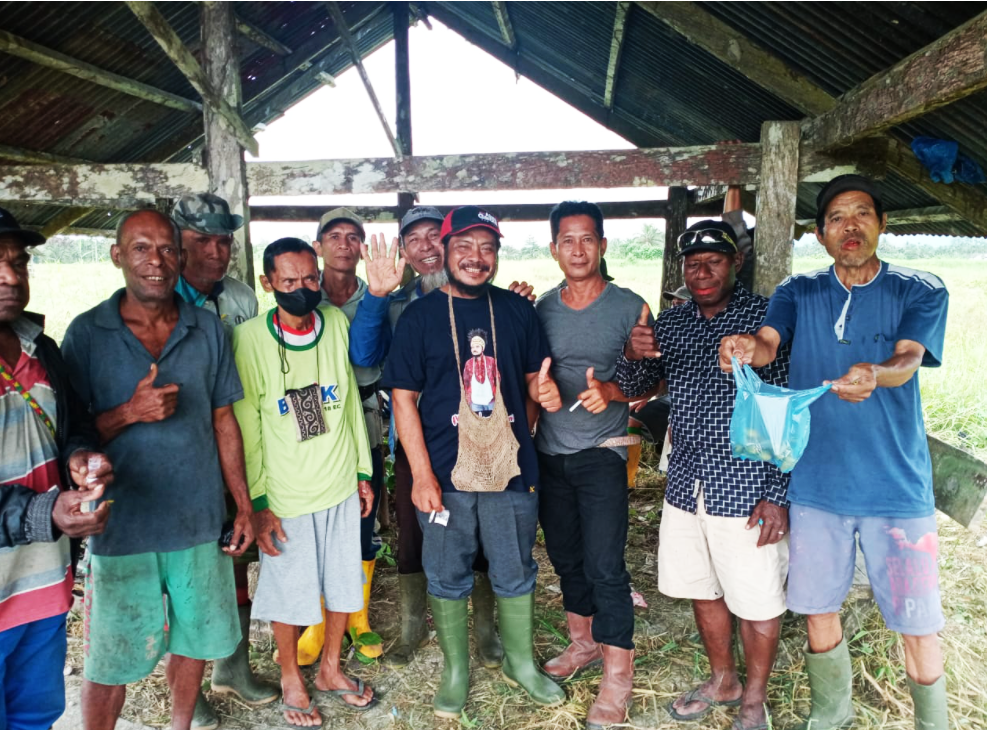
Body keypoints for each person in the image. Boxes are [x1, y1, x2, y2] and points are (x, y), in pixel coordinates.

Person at [719, 174, 950, 730]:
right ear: (820, 234)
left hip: (896, 487)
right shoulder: (799, 291)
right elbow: (769, 342)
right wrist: (748, 347)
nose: (851, 226)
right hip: (817, 486)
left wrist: (877, 373)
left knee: (918, 622)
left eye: (862, 213)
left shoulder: (919, 289)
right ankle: (831, 714)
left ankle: (934, 722)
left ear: (882, 224)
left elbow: (908, 358)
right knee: (819, 607)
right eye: (837, 217)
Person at [61, 209, 255, 730]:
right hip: (121, 526)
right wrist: (130, 412)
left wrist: (241, 505)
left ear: (180, 257)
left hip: (197, 521)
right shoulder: (87, 333)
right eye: (141, 248)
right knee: (110, 658)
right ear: (117, 256)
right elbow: (71, 436)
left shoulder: (206, 328)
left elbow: (224, 420)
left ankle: (181, 725)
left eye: (167, 249)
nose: (156, 261)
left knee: (194, 639)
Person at [382, 206, 566, 718]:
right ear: (444, 251)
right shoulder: (419, 317)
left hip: (510, 469)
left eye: (487, 247)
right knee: (446, 572)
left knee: (515, 567)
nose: (476, 257)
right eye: (464, 246)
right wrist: (421, 475)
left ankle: (520, 663)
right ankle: (456, 670)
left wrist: (543, 394)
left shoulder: (516, 311)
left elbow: (531, 381)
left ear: (497, 255)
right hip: (445, 474)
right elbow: (403, 399)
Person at [615, 219, 791, 730]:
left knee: (758, 598)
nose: (702, 272)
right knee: (703, 586)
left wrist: (778, 494)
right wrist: (632, 352)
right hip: (686, 481)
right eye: (693, 264)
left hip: (747, 485)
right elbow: (636, 386)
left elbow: (787, 411)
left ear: (736, 263)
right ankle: (723, 680)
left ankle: (754, 699)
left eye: (714, 261)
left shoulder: (764, 320)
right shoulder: (672, 323)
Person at [348, 206, 516, 668]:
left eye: (432, 236)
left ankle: (484, 630)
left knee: (480, 534)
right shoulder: (398, 304)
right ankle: (412, 628)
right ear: (403, 251)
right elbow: (364, 356)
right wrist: (377, 296)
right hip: (416, 441)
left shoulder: (486, 298)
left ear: (449, 242)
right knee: (413, 534)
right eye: (413, 239)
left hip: (480, 438)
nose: (425, 247)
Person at [232, 238, 377, 726]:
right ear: (267, 283)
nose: (302, 288)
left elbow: (350, 402)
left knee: (342, 582)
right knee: (290, 590)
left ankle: (330, 669)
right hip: (286, 493)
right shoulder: (250, 338)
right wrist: (259, 501)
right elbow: (248, 425)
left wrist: (362, 472)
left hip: (338, 482)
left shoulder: (334, 322)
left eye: (310, 278)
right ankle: (291, 675)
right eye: (289, 281)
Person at [533, 201, 648, 728]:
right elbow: (528, 373)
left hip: (603, 453)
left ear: (602, 245)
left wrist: (613, 391)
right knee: (565, 557)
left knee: (605, 565)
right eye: (567, 240)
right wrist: (537, 392)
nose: (577, 250)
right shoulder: (541, 309)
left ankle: (618, 675)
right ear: (553, 249)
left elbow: (653, 380)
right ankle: (583, 643)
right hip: (550, 453)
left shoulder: (630, 307)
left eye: (587, 239)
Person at [0, 208, 113, 730]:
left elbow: (73, 426)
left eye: (18, 263)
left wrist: (79, 458)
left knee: (35, 717)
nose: (10, 277)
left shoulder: (40, 347)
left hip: (42, 585)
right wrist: (45, 511)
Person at [171, 193, 275, 729]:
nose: (215, 251)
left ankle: (233, 668)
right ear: (178, 243)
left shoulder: (239, 297)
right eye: (201, 240)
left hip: (235, 442)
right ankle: (187, 691)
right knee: (187, 573)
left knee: (237, 552)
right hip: (182, 453)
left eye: (223, 240)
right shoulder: (161, 297)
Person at [292, 207, 384, 663]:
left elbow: (369, 356)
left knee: (363, 513)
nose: (344, 244)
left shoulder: (377, 293)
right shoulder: (302, 295)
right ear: (318, 246)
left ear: (363, 248)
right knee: (317, 515)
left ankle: (357, 618)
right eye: (334, 236)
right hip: (312, 410)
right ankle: (316, 620)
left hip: (364, 412)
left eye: (353, 237)